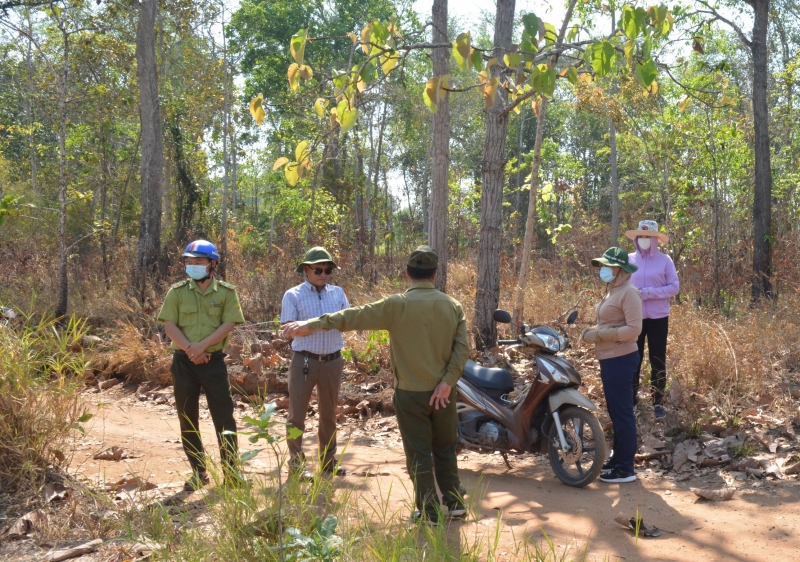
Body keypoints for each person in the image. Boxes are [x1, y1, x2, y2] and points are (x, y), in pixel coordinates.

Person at [282, 246, 469, 525]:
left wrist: (310, 325)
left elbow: (351, 317)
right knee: (444, 447)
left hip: (410, 393)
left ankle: (429, 511)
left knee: (418, 452)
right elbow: (462, 350)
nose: (323, 274)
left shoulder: (396, 305)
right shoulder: (452, 305)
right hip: (444, 393)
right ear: (436, 274)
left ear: (407, 273)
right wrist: (447, 383)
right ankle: (454, 503)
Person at [157, 240, 246, 491]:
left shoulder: (227, 292)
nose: (192, 266)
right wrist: (190, 349)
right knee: (187, 417)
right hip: (184, 362)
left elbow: (229, 324)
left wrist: (202, 347)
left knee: (224, 417)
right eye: (189, 262)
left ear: (212, 264)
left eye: (198, 262)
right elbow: (170, 325)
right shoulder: (177, 292)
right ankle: (198, 471)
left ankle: (231, 472)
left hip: (213, 362)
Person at [280, 247, 350, 481]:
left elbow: (346, 322)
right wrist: (319, 324)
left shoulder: (338, 293)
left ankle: (328, 462)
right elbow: (289, 330)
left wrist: (310, 325)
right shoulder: (293, 295)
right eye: (318, 269)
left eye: (328, 270)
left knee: (329, 414)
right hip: (304, 361)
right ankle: (296, 464)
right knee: (296, 415)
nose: (323, 274)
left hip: (332, 361)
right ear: (306, 270)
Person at [581, 247, 642, 484]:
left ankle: (626, 468)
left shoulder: (629, 292)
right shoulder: (612, 291)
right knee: (616, 412)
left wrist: (599, 335)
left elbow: (634, 330)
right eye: (603, 266)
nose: (603, 270)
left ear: (620, 270)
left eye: (608, 266)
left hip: (621, 357)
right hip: (609, 357)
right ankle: (618, 460)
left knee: (623, 412)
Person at [625, 220, 679, 419]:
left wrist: (650, 292)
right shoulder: (629, 260)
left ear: (656, 239)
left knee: (657, 359)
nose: (645, 240)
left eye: (649, 237)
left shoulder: (665, 261)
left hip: (658, 317)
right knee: (633, 358)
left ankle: (658, 402)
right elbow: (621, 285)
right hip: (634, 318)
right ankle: (631, 399)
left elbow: (674, 287)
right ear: (637, 238)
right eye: (642, 236)